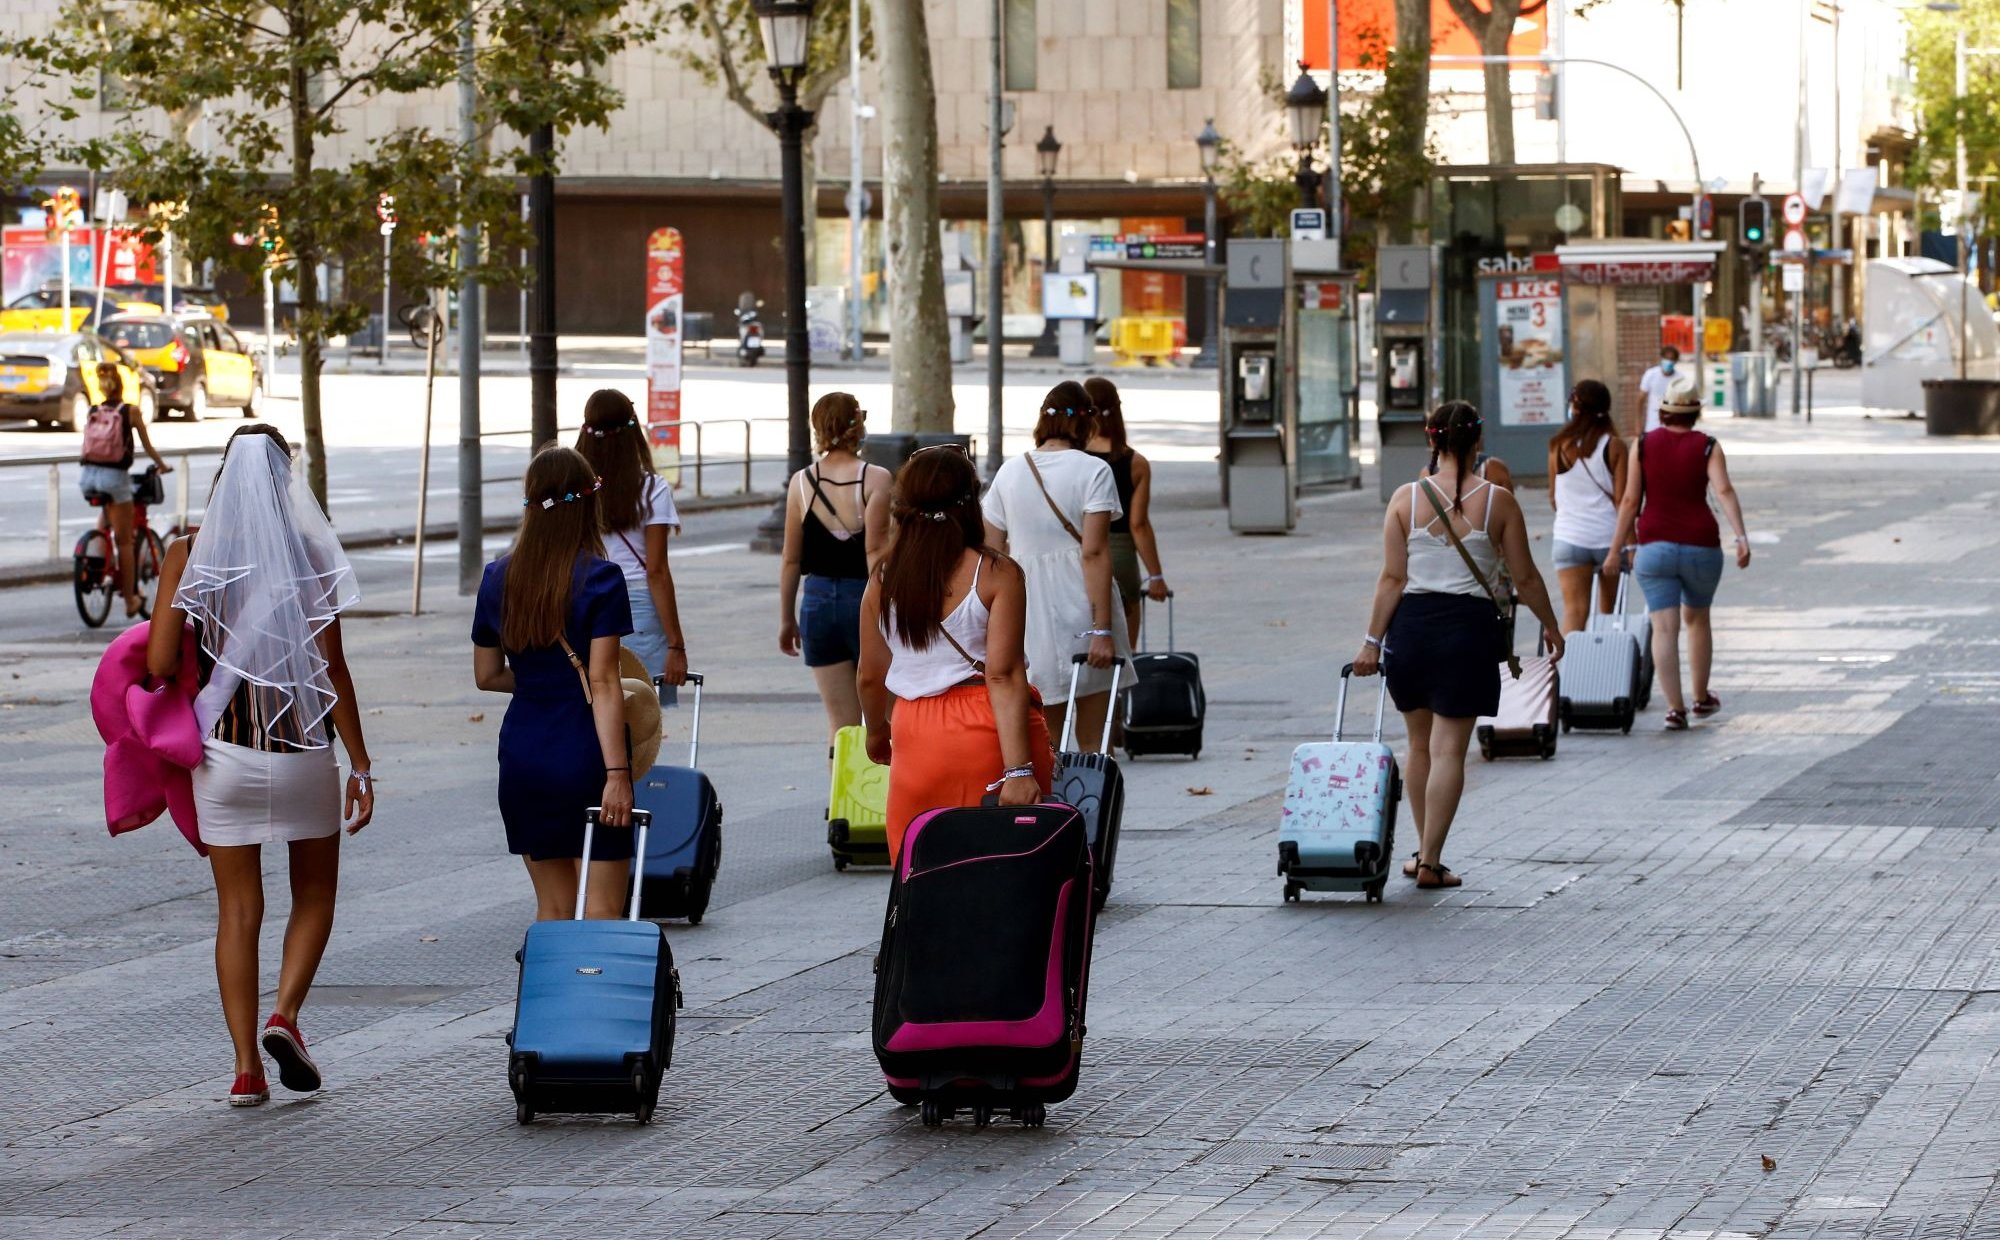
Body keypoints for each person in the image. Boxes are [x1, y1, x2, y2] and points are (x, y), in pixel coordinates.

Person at [144, 424, 374, 1108]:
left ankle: (246, 1070)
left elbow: (158, 662)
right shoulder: (310, 555)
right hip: (303, 753)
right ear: (285, 483)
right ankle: (286, 1015)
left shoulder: (188, 553)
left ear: (224, 480)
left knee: (239, 910)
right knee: (316, 895)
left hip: (225, 757)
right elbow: (334, 669)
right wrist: (361, 765)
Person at [1352, 402, 1563, 890]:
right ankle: (1431, 860)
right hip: (1467, 632)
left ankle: (1422, 853)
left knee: (1418, 746)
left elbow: (1392, 578)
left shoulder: (1405, 499)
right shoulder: (1498, 501)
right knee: (1449, 751)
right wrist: (1551, 625)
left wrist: (1370, 643)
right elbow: (1526, 578)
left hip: (1411, 630)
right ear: (1477, 442)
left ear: (1433, 440)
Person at [856, 446, 1054, 863]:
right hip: (987, 727)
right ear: (970, 502)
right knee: (1002, 868)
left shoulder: (884, 577)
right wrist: (1018, 771)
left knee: (921, 867)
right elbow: (1003, 674)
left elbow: (870, 674)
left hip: (914, 730)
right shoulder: (996, 572)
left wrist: (876, 731)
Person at [472, 445, 638, 921]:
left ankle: (547, 974)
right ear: (589, 504)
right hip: (584, 752)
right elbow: (603, 681)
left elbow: (487, 675)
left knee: (554, 905)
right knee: (603, 908)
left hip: (523, 753)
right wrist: (617, 776)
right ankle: (593, 976)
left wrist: (538, 680)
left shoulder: (497, 577)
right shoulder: (601, 579)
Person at [982, 381, 1129, 752]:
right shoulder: (1094, 471)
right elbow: (1094, 552)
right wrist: (1102, 629)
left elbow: (991, 552)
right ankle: (1094, 792)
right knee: (1095, 745)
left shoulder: (1010, 472)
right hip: (1083, 605)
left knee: (1045, 743)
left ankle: (1053, 793)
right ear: (1087, 422)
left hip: (1026, 610)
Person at [1603, 376, 1752, 731]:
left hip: (1654, 548)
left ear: (1664, 410)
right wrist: (1741, 536)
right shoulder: (1708, 446)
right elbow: (1724, 490)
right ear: (1696, 411)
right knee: (1697, 619)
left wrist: (1614, 550)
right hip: (1702, 545)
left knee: (1664, 628)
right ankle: (1700, 697)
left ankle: (1675, 709)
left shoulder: (1643, 445)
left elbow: (1629, 500)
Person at [778, 391, 891, 742]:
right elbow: (875, 551)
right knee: (888, 721)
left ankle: (839, 780)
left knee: (841, 727)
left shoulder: (801, 482)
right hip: (863, 598)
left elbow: (791, 559)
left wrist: (787, 619)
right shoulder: (875, 478)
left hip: (817, 601)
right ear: (857, 426)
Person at [574, 389, 688, 691]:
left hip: (583, 600)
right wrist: (676, 644)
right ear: (633, 430)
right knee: (642, 708)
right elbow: (656, 571)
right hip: (636, 606)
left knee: (591, 702)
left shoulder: (573, 489)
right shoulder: (652, 488)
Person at [78, 361, 171, 617]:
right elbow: (147, 446)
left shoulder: (93, 410)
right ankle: (130, 599)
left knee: (107, 516)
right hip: (114, 477)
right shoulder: (130, 411)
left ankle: (98, 554)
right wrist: (162, 465)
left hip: (88, 477)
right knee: (125, 541)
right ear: (122, 385)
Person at [1083, 376, 1170, 648]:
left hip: (1079, 555)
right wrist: (1155, 576)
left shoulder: (1075, 460)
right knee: (1124, 654)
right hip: (1120, 558)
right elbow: (1138, 524)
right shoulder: (1135, 463)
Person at [1545, 379, 1628, 634]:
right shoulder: (1615, 446)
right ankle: (1606, 658)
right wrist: (1630, 544)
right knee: (1609, 613)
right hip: (1608, 540)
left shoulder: (1558, 445)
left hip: (1569, 538)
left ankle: (1570, 660)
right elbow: (1623, 501)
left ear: (1575, 408)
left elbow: (1553, 498)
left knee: (1574, 612)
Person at [1637, 346, 1680, 434]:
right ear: (1661, 358)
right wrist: (1638, 424)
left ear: (1676, 361)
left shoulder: (1680, 378)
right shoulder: (1651, 374)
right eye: (1666, 358)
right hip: (1652, 427)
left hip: (1673, 428)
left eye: (1671, 359)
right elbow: (1640, 399)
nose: (1668, 362)